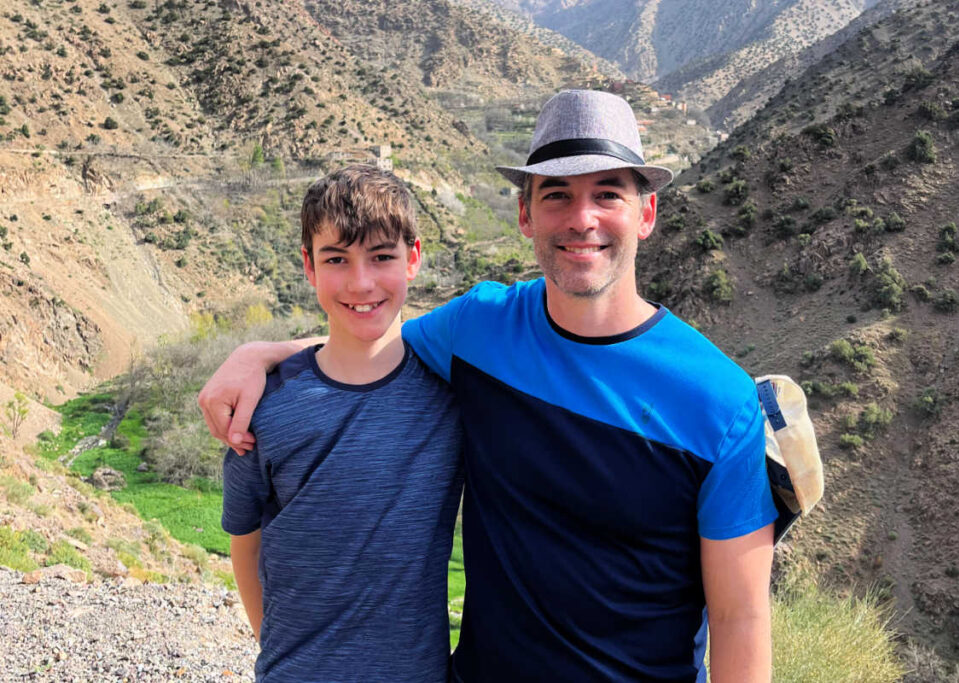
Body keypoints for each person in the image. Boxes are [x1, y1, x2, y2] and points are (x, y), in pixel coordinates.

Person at [203, 91, 776, 682]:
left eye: (608, 193)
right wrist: (257, 355)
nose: (582, 219)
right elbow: (369, 339)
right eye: (557, 195)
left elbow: (741, 619)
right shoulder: (480, 329)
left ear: (646, 213)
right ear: (526, 214)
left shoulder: (719, 402)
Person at [220, 165, 463, 683]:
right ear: (308, 266)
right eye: (337, 259)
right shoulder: (263, 406)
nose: (361, 282)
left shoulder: (453, 392)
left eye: (382, 257)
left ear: (413, 258)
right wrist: (279, 647)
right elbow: (246, 542)